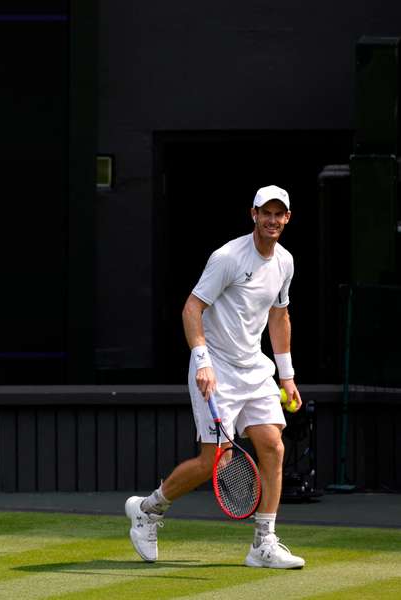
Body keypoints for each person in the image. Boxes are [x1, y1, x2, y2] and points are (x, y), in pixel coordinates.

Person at [125, 185, 305, 569]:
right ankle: (148, 510)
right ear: (253, 214)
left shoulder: (284, 262)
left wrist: (287, 376)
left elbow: (279, 317)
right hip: (216, 366)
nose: (272, 220)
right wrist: (202, 361)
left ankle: (263, 543)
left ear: (287, 218)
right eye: (266, 213)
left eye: (279, 214)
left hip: (254, 367)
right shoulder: (226, 257)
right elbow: (192, 308)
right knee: (212, 461)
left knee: (273, 446)